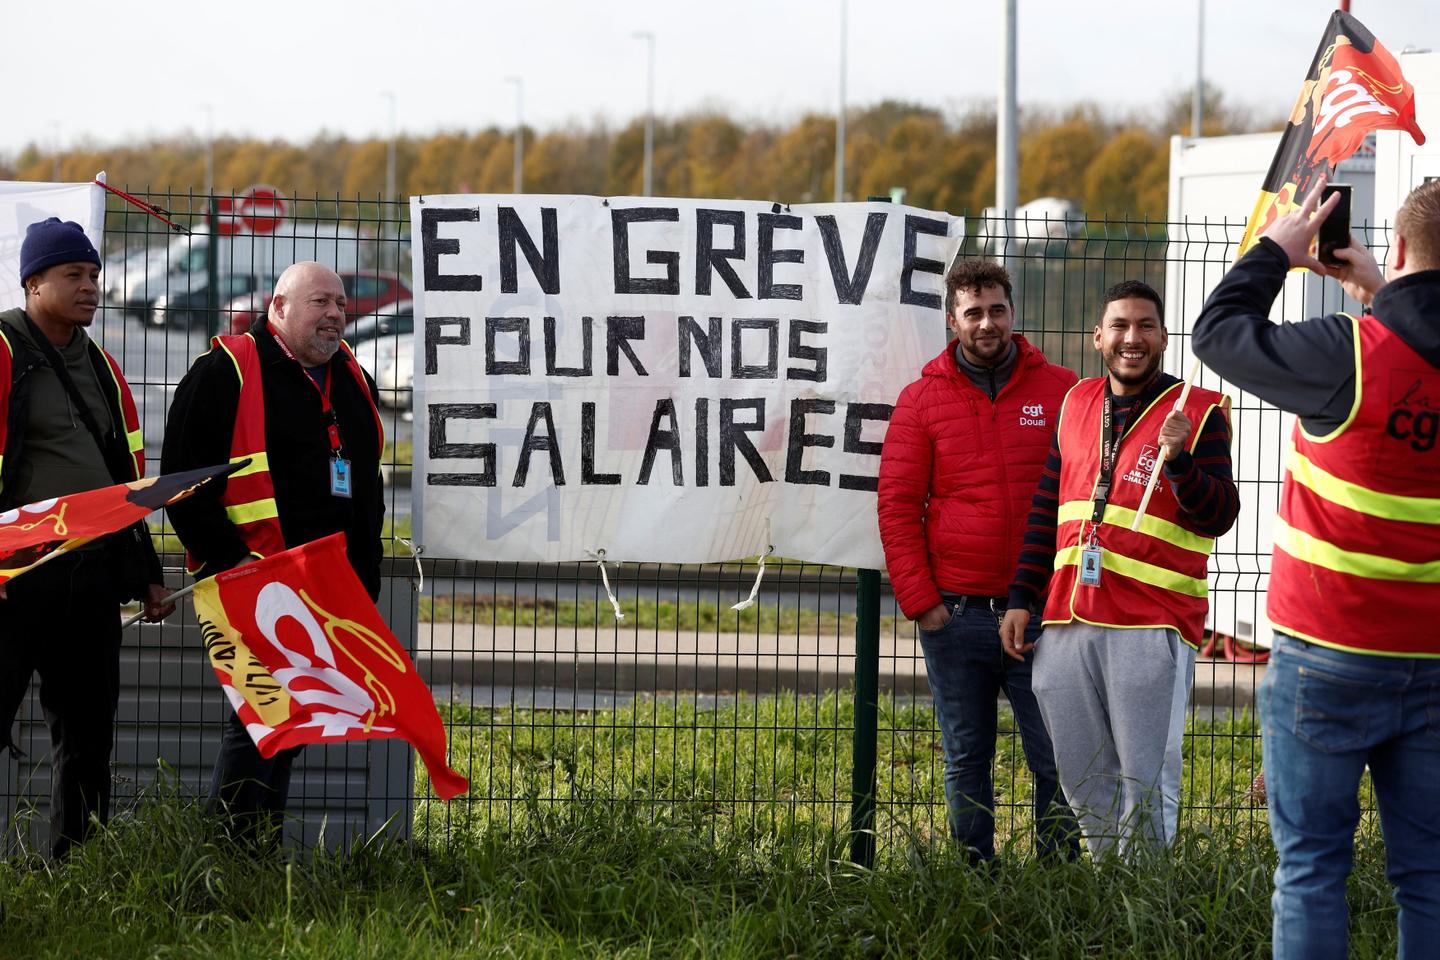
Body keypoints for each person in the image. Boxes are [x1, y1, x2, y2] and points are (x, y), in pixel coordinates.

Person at [1192, 177, 1440, 960]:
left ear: (1398, 248)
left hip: (1327, 657)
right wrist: (1384, 290)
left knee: (1312, 871)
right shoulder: (1370, 339)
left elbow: (1217, 333)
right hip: (1433, 662)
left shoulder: (1348, 354)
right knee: (1430, 877)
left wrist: (1277, 250)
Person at [1000, 279, 1239, 859]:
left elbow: (1219, 516)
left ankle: (1148, 896)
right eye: (1121, 327)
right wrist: (1020, 596)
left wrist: (1178, 461)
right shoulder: (1075, 403)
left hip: (1152, 621)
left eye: (1145, 327)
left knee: (1146, 775)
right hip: (1065, 617)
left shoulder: (1197, 412)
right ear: (1098, 337)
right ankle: (1108, 884)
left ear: (1162, 336)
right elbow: (1046, 509)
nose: (1133, 338)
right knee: (1079, 768)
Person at [162, 261, 385, 842]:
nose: (337, 314)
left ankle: (250, 855)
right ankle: (229, 859)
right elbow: (181, 483)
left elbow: (366, 489)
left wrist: (366, 580)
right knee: (261, 722)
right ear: (279, 308)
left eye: (341, 303)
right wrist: (231, 563)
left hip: (331, 593)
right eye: (321, 302)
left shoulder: (351, 379)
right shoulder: (227, 371)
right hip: (251, 586)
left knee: (291, 726)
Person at [878, 258, 1081, 865]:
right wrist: (925, 605)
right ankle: (974, 875)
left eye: (996, 310)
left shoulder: (1063, 390)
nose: (986, 323)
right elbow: (897, 505)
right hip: (958, 616)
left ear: (1012, 313)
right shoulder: (921, 400)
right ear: (952, 321)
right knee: (967, 755)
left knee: (1057, 753)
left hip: (1044, 614)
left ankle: (1059, 875)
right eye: (973, 313)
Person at [0, 218, 173, 858]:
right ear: (33, 281)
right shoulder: (3, 346)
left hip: (90, 574)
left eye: (95, 275)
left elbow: (121, 478)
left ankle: (75, 872)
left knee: (87, 735)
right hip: (17, 574)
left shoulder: (100, 362)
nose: (90, 287)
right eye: (73, 274)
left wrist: (144, 573)